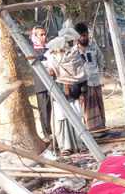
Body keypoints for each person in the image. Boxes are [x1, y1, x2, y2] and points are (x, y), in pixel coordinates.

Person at [45, 22, 87, 156]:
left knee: (75, 115)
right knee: (61, 118)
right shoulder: (50, 55)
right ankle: (65, 146)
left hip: (73, 89)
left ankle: (79, 143)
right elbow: (49, 69)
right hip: (59, 89)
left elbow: (79, 71)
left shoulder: (74, 53)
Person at [74, 22, 106, 132]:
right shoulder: (74, 50)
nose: (84, 38)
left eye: (85, 35)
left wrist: (100, 74)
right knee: (87, 108)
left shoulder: (93, 46)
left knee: (99, 105)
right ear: (77, 37)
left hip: (95, 81)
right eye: (81, 36)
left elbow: (101, 60)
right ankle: (91, 131)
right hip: (83, 84)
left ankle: (102, 129)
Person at [31, 26, 52, 139]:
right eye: (41, 35)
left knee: (54, 110)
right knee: (44, 111)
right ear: (35, 36)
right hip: (41, 85)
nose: (44, 37)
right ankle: (47, 134)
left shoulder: (49, 48)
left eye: (45, 34)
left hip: (52, 84)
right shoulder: (31, 50)